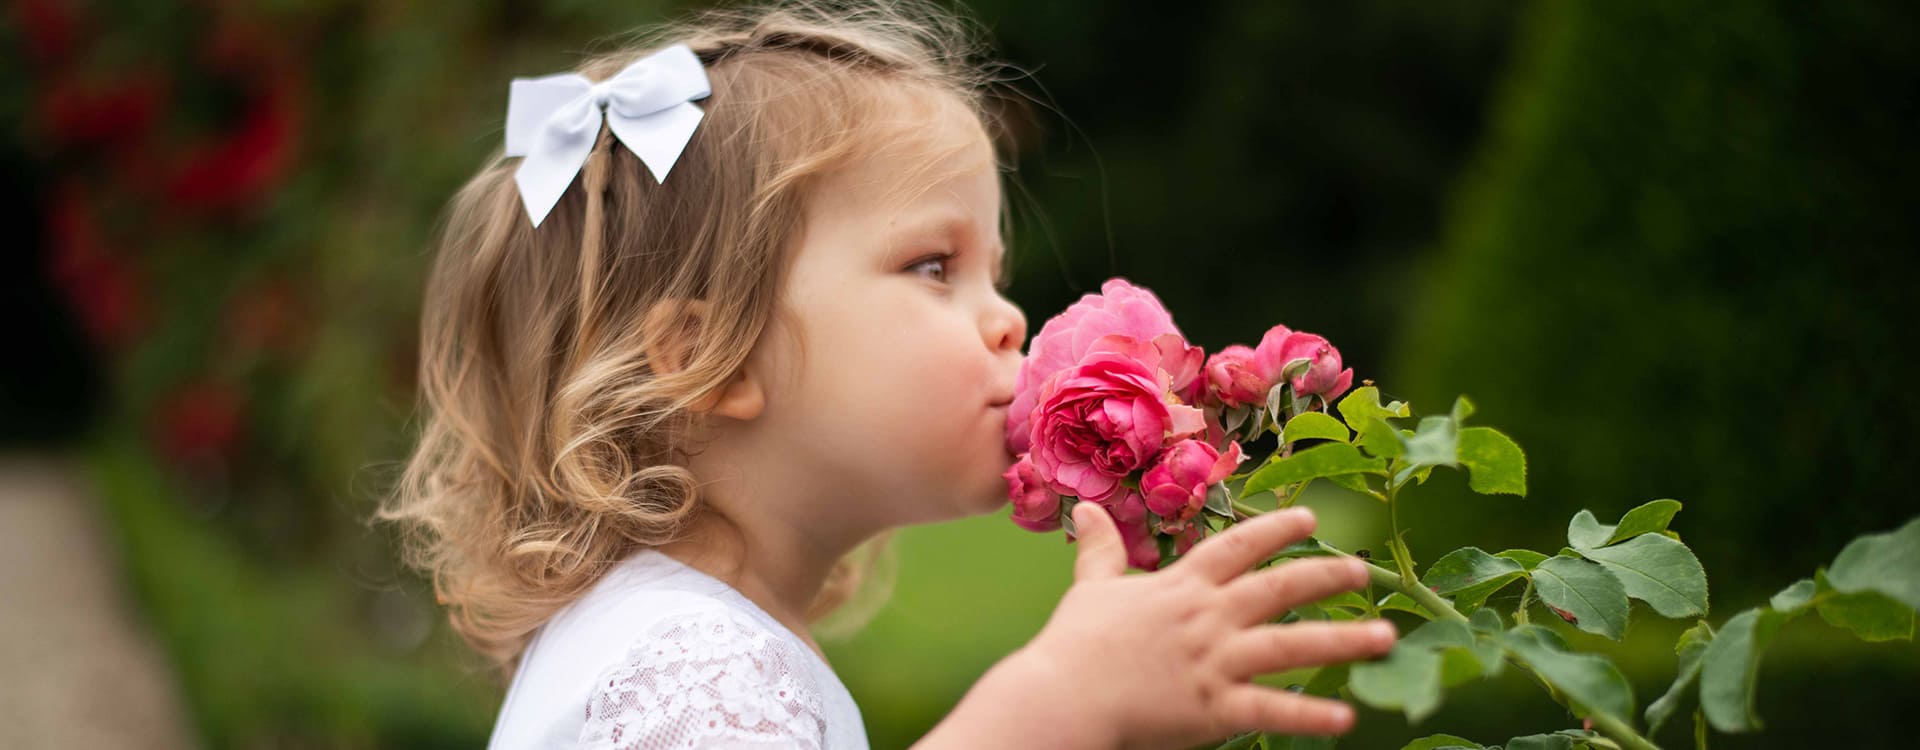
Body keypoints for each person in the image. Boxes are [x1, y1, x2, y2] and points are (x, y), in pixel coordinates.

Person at [375, 1, 1396, 748]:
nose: (1006, 320)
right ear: (701, 358)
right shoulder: (685, 665)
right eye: (933, 267)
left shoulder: (693, 638)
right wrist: (1054, 704)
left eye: (994, 272)